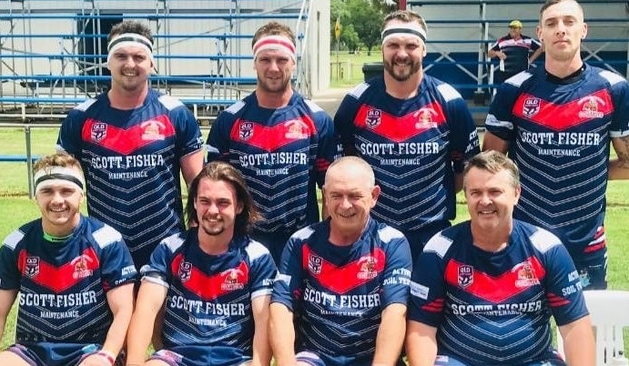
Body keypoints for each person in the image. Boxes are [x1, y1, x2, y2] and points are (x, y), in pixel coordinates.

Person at [482, 0, 629, 290]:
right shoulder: (514, 89)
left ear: (584, 30)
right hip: (523, 236)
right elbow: (490, 166)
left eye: (569, 22)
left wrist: (586, 168)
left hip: (586, 239)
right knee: (521, 332)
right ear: (540, 33)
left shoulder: (614, 88)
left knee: (588, 330)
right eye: (551, 24)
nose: (560, 30)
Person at [405, 150, 595, 366]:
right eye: (476, 192)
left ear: (516, 193)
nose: (485, 201)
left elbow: (575, 328)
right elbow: (422, 329)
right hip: (458, 361)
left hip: (534, 360)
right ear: (465, 195)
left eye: (495, 191)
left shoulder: (547, 248)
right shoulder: (438, 250)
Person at [333, 10, 481, 261]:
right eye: (393, 45)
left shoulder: (449, 101)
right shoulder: (355, 102)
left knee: (428, 301)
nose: (402, 53)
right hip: (370, 232)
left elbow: (465, 170)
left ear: (423, 49)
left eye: (411, 45)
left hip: (430, 232)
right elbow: (342, 168)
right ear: (382, 48)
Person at [57, 20, 205, 269]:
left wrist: (196, 238)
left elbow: (199, 186)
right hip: (103, 247)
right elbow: (63, 187)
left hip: (165, 247)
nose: (129, 64)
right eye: (121, 56)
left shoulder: (176, 114)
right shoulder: (80, 118)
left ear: (151, 63)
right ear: (108, 61)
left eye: (139, 57)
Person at [0, 152, 137, 366]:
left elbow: (124, 310)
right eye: (47, 191)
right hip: (31, 351)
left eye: (67, 191)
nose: (57, 200)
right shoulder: (16, 244)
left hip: (90, 349)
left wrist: (107, 355)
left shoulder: (107, 241)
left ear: (81, 195)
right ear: (36, 196)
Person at [206, 21, 338, 264]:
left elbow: (331, 192)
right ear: (254, 62)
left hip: (300, 243)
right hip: (243, 245)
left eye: (282, 60)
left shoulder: (317, 120)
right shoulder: (229, 121)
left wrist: (326, 243)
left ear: (294, 62)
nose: (274, 68)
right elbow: (212, 192)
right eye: (265, 60)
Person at [125, 161, 277, 366]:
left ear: (239, 206)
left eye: (223, 203)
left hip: (235, 358)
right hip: (177, 357)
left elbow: (263, 325)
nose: (212, 211)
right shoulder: (169, 249)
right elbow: (145, 312)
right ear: (194, 202)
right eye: (205, 201)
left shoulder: (257, 256)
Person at [270, 156, 413, 366]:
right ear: (325, 196)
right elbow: (281, 307)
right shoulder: (301, 242)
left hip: (370, 357)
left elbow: (395, 313)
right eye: (336, 195)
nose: (345, 205)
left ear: (374, 196)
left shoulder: (392, 243)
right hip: (315, 356)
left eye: (354, 196)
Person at [488, 19, 543, 85]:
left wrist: (531, 60)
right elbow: (489, 53)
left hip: (523, 72)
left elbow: (541, 48)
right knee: (508, 92)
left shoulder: (528, 40)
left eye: (515, 28)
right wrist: (497, 53)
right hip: (505, 73)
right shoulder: (502, 40)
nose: (513, 30)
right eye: (511, 28)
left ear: (520, 29)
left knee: (521, 92)